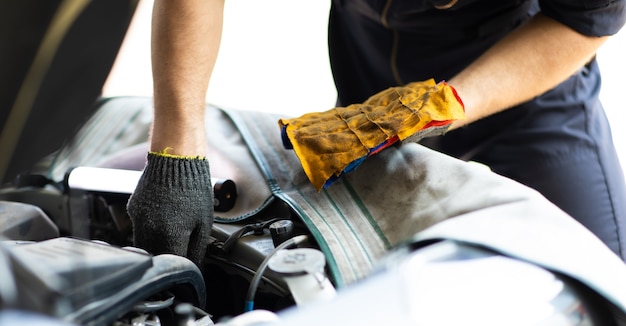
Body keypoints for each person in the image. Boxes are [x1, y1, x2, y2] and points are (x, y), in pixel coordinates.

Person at [127, 0, 626, 266]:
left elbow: (584, 20)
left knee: (598, 294)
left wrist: (442, 104)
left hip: (525, 87)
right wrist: (177, 150)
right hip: (372, 64)